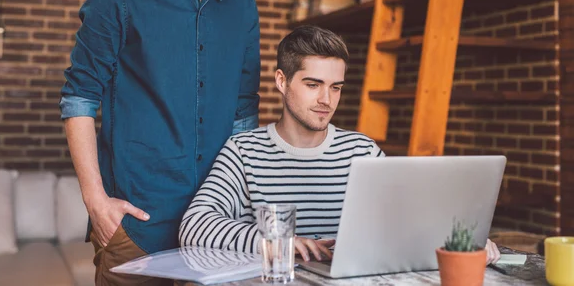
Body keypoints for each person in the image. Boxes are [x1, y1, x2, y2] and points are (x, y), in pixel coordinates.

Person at [59, 0, 261, 284]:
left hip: (216, 230)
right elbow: (79, 98)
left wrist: (246, 206)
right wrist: (96, 202)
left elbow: (243, 113)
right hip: (137, 227)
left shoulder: (243, 5)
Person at [179, 25, 501, 266]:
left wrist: (463, 238)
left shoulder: (361, 151)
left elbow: (413, 215)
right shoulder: (243, 152)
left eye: (336, 87)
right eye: (313, 84)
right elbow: (195, 226)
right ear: (281, 81)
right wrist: (280, 242)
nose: (326, 100)